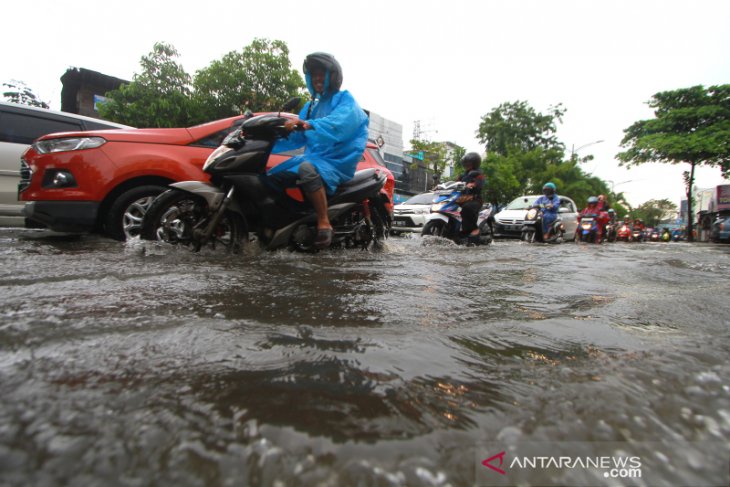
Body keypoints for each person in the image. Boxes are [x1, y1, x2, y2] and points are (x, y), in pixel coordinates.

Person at [266, 52, 369, 249]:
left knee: (306, 169)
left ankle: (324, 222)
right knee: (274, 176)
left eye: (321, 74)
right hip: (314, 158)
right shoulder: (310, 106)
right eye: (314, 75)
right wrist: (269, 135)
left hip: (337, 160)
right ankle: (286, 222)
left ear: (333, 76)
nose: (317, 78)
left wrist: (307, 124)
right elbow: (297, 136)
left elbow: (339, 124)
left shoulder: (345, 100)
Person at [457, 152, 485, 244]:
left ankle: (474, 229)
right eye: (465, 163)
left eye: (468, 163)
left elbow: (479, 183)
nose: (466, 165)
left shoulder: (479, 174)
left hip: (475, 199)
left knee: (467, 207)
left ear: (475, 164)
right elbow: (454, 183)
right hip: (463, 198)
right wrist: (441, 186)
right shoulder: (462, 175)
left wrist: (473, 184)